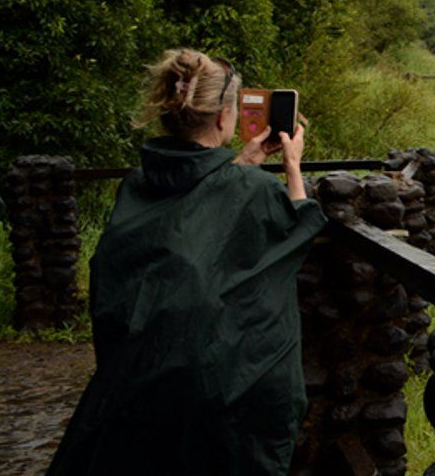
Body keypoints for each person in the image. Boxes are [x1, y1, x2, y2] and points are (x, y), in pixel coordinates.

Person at [48, 48, 326, 475]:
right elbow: (294, 235)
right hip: (216, 392)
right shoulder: (249, 188)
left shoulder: (138, 185)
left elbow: (188, 216)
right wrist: (291, 168)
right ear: (222, 118)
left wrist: (243, 163)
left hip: (139, 384)